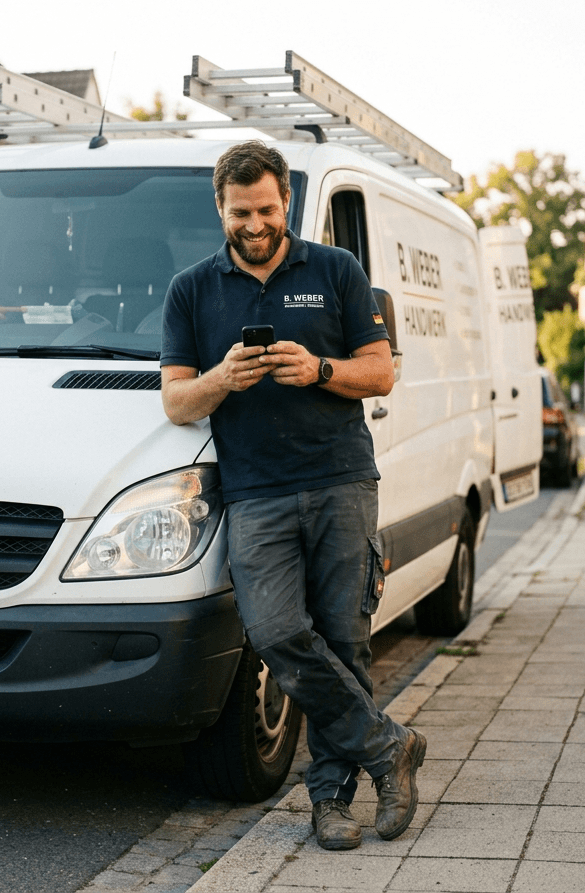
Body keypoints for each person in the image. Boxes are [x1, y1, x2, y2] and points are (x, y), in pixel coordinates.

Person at [159, 141, 425, 851]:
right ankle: (388, 747)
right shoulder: (191, 289)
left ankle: (331, 805)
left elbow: (380, 374)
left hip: (340, 481)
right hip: (256, 494)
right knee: (276, 633)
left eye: (267, 209)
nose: (255, 223)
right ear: (220, 209)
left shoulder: (336, 270)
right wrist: (222, 379)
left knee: (344, 641)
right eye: (241, 212)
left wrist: (318, 368)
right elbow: (178, 401)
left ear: (287, 204)